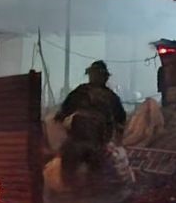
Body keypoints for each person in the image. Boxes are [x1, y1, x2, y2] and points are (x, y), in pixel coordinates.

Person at [53, 60, 127, 188]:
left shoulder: (82, 92)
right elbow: (121, 121)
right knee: (94, 175)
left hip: (87, 142)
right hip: (93, 143)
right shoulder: (107, 96)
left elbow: (61, 115)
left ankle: (74, 193)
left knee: (71, 170)